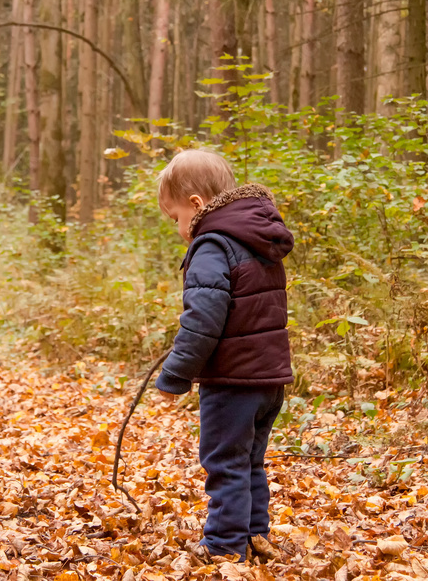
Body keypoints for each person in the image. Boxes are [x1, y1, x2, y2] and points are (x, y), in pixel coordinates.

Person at [154, 149, 295, 563]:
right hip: (268, 377)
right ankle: (254, 534)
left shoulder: (213, 244)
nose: (179, 228)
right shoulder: (258, 238)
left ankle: (224, 544)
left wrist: (175, 375)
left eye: (176, 217)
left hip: (233, 379)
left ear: (196, 205)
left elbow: (204, 320)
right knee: (249, 459)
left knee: (224, 462)